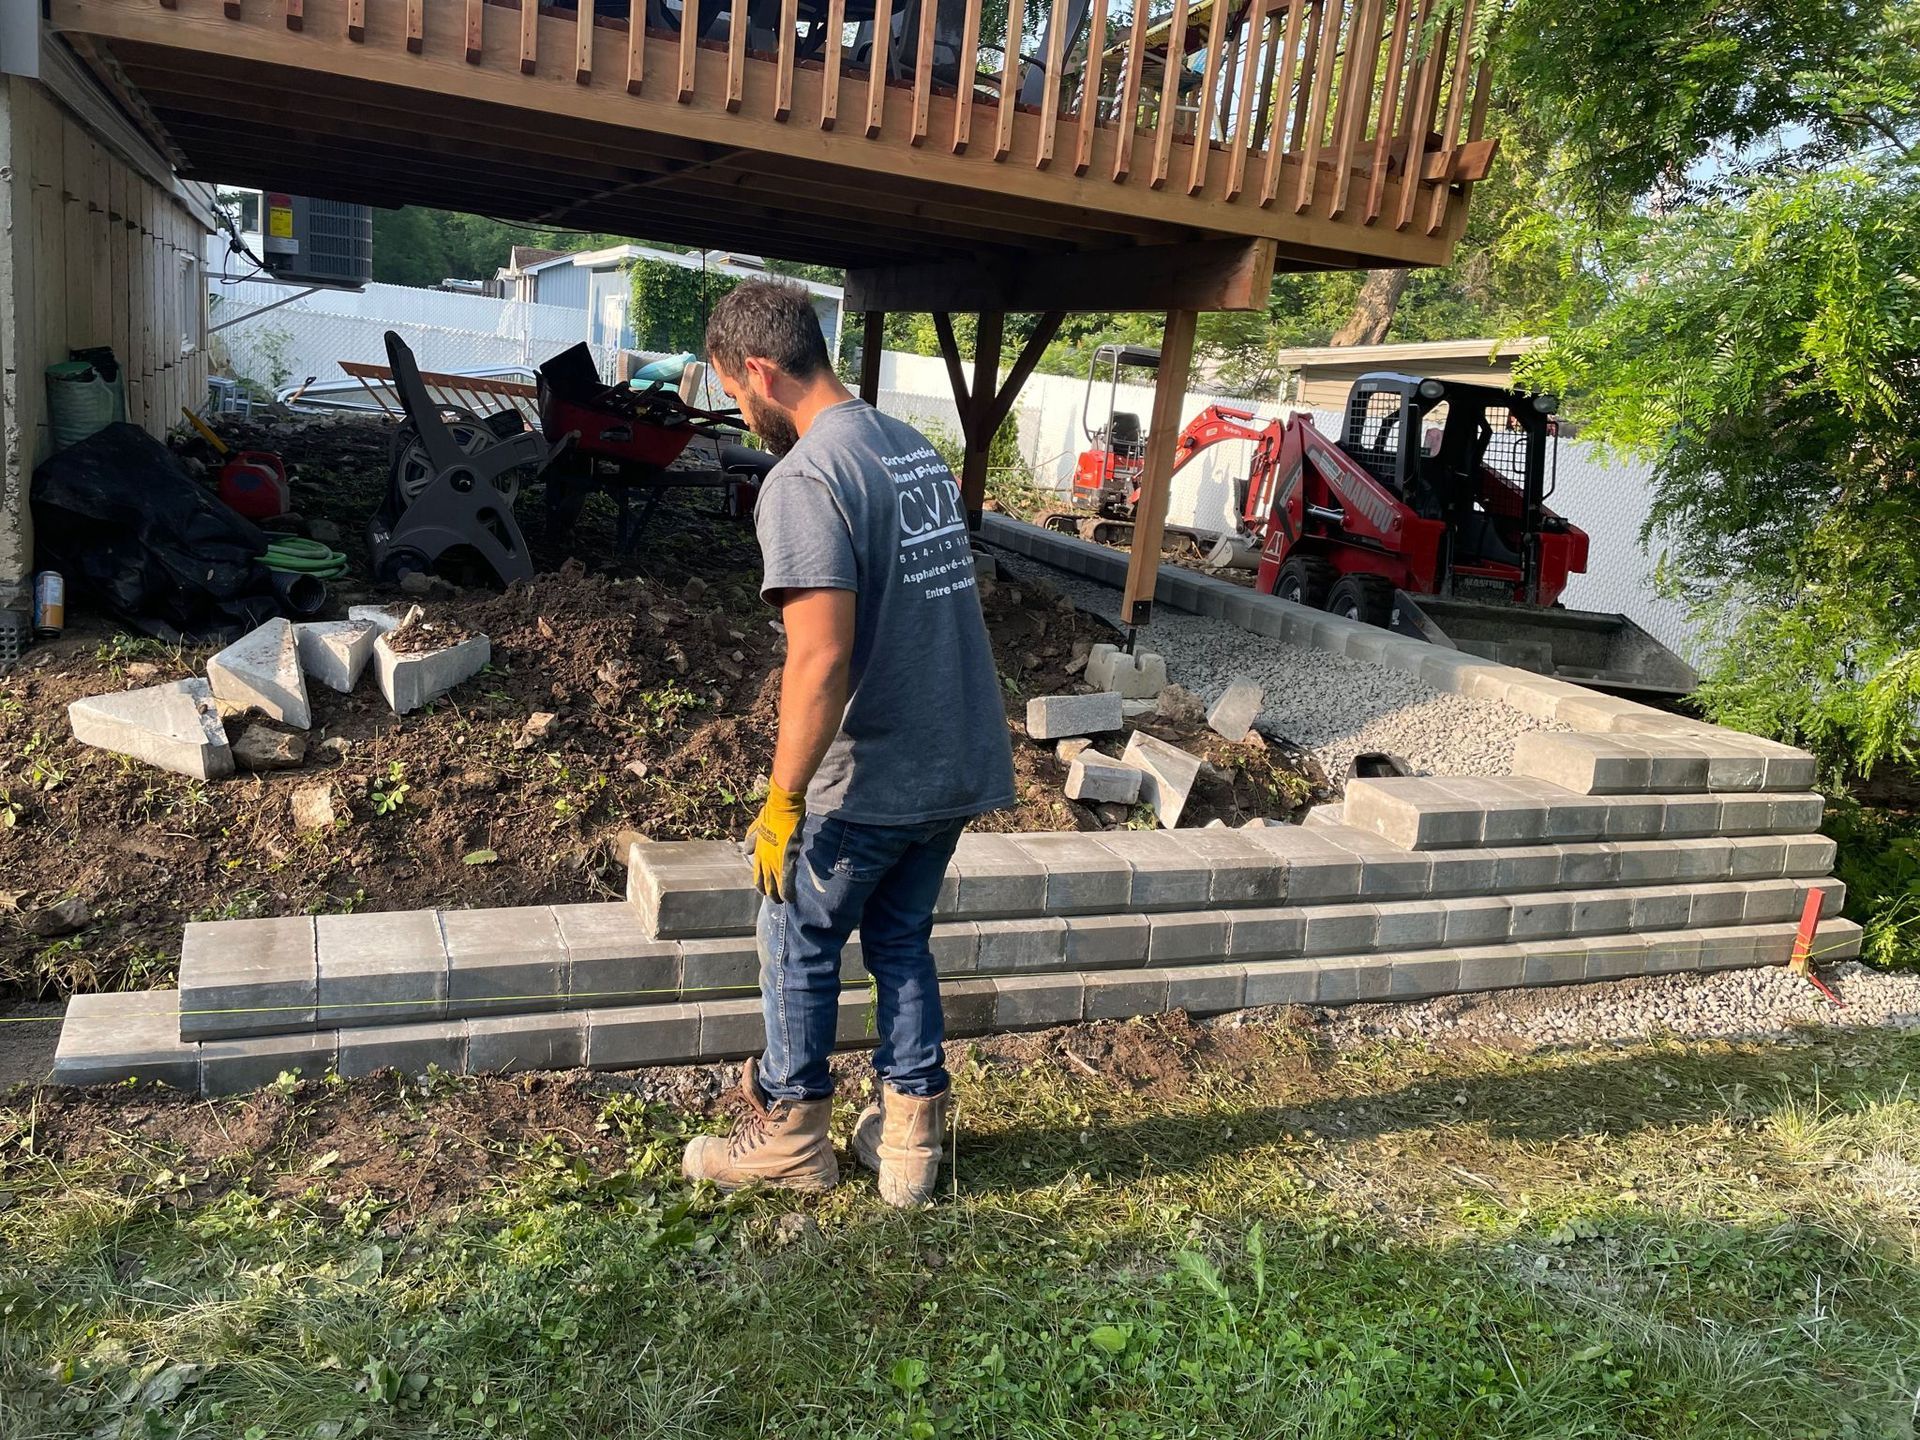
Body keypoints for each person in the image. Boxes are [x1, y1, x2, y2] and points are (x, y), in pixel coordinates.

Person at [680, 281, 1014, 1206]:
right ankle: (909, 1144)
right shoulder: (908, 448)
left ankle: (791, 1137)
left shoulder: (806, 479)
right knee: (902, 937)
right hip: (952, 755)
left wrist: (784, 801)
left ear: (757, 371)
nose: (742, 417)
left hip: (867, 774)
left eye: (734, 393)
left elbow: (820, 658)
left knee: (797, 935)